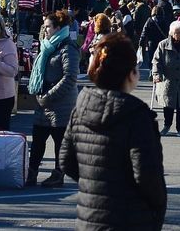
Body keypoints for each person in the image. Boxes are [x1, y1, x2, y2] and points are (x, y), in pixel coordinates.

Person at [61, 33, 167, 230]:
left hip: (90, 215)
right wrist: (157, 205)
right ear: (130, 73)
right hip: (130, 216)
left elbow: (66, 161)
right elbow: (146, 173)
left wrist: (94, 182)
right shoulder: (136, 114)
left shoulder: (81, 107)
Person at [27, 11, 80, 187]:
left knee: (60, 141)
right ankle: (31, 173)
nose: (45, 29)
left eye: (48, 26)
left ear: (58, 28)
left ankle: (58, 174)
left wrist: (49, 96)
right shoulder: (47, 46)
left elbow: (70, 78)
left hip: (61, 103)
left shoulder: (68, 47)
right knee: (38, 140)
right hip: (43, 101)